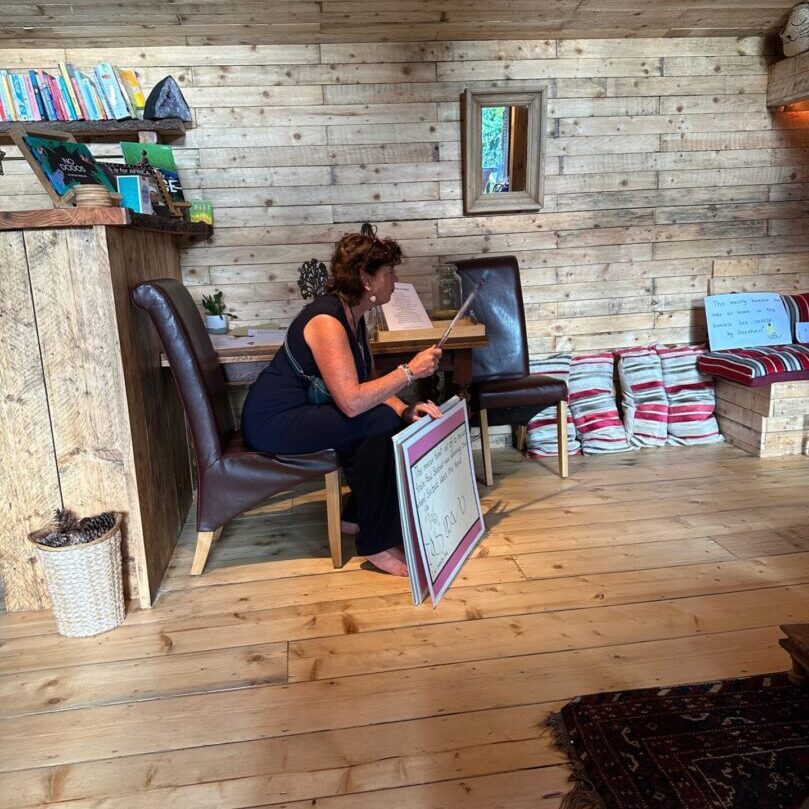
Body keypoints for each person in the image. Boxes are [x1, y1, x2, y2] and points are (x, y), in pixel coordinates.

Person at [241, 223, 442, 577]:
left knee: (386, 419)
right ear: (367, 279)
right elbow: (352, 402)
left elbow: (367, 384)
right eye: (390, 272)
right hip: (273, 421)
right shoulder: (326, 320)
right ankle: (376, 543)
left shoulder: (353, 316)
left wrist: (405, 408)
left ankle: (354, 517)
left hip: (301, 411)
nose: (395, 280)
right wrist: (410, 371)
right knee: (373, 422)